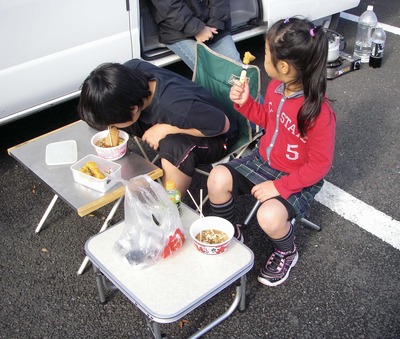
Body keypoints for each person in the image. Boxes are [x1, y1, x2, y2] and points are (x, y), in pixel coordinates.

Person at [207, 18, 336, 287]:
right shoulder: (276, 88)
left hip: (297, 177)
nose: (265, 58)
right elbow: (268, 120)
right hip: (264, 161)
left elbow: (320, 166)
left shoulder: (318, 111)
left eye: (267, 54)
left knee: (270, 216)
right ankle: (232, 231)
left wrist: (280, 186)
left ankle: (287, 251)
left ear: (284, 66)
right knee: (217, 177)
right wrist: (246, 104)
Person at [77, 59, 238, 195]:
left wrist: (166, 129)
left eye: (112, 124)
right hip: (193, 117)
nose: (110, 127)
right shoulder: (131, 72)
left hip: (217, 136)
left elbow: (222, 125)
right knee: (119, 123)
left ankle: (169, 204)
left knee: (173, 146)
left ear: (133, 109)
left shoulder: (176, 107)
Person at [148, 0, 241, 71]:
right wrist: (198, 29)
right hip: (177, 29)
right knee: (212, 74)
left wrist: (215, 23)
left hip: (214, 23)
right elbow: (169, 5)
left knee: (239, 72)